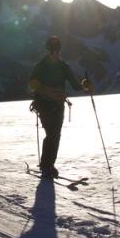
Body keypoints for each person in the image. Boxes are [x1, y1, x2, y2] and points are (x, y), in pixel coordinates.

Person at [29, 36, 91, 178]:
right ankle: (47, 165)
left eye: (56, 50)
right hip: (45, 105)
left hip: (56, 105)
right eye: (53, 50)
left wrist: (84, 86)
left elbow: (75, 85)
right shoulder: (45, 66)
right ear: (49, 50)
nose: (55, 53)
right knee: (53, 134)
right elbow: (31, 83)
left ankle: (48, 164)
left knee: (54, 134)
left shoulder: (58, 67)